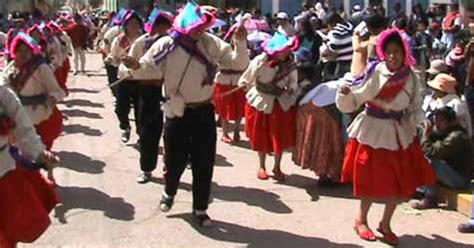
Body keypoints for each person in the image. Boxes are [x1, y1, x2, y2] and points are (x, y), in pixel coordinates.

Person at [122, 1, 248, 226]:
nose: (200, 30)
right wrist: (134, 64)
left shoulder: (211, 43)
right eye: (196, 26)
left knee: (204, 160)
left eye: (202, 26)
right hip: (176, 111)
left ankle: (200, 208)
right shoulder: (166, 44)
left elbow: (238, 62)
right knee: (174, 158)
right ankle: (169, 192)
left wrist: (240, 40)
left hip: (203, 110)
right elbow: (148, 67)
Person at [336, 28, 436, 246]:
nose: (393, 56)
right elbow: (357, 97)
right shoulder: (375, 71)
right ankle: (361, 220)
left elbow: (415, 106)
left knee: (398, 183)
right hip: (373, 131)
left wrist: (421, 121)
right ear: (383, 52)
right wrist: (345, 95)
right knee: (369, 180)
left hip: (399, 134)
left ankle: (385, 223)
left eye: (397, 51)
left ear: (404, 52)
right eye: (389, 51)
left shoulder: (411, 77)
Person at [0, 83, 59, 248]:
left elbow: (23, 129)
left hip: (4, 172)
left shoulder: (2, 93)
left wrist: (40, 153)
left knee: (7, 233)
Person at [120, 8, 173, 183]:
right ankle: (146, 168)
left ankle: (172, 165)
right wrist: (132, 67)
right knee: (148, 131)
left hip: (172, 89)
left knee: (174, 130)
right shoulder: (141, 42)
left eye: (167, 26)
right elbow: (126, 66)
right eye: (160, 25)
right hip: (147, 91)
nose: (163, 29)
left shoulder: (175, 43)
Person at [238, 31, 299, 182]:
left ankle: (277, 166)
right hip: (262, 101)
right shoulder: (260, 61)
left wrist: (292, 87)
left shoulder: (290, 64)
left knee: (280, 136)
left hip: (280, 102)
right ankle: (262, 166)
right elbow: (247, 76)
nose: (286, 53)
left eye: (287, 50)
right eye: (283, 50)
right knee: (262, 136)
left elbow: (293, 80)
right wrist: (243, 84)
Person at [4, 32, 66, 153]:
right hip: (17, 116)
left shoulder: (41, 68)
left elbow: (56, 90)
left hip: (39, 115)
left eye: (27, 51)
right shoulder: (10, 68)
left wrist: (52, 98)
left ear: (32, 52)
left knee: (39, 152)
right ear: (14, 51)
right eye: (20, 51)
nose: (23, 54)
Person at [293, 63, 344, 186]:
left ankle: (323, 174)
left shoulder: (319, 87)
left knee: (319, 143)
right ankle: (331, 176)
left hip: (309, 110)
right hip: (323, 113)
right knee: (329, 143)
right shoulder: (345, 86)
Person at [413, 106, 473, 209]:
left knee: (428, 161)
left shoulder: (457, 136)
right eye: (436, 120)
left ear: (451, 122)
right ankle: (418, 189)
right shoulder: (445, 131)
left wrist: (425, 135)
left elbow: (431, 152)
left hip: (459, 179)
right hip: (448, 172)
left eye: (441, 121)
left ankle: (430, 198)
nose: (437, 123)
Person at [108, 10, 143, 144]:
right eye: (130, 23)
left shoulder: (144, 39)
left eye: (136, 23)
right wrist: (111, 59)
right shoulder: (119, 40)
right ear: (125, 25)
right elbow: (114, 57)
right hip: (123, 79)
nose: (133, 26)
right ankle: (125, 127)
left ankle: (141, 135)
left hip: (140, 79)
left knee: (140, 110)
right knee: (121, 108)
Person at [213, 20, 250, 144]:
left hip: (238, 81)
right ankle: (225, 132)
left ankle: (236, 131)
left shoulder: (244, 50)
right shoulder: (222, 50)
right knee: (224, 108)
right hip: (224, 81)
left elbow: (243, 63)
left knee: (239, 107)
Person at [325, 12, 353, 80]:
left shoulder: (336, 32)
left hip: (343, 63)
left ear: (332, 23)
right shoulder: (349, 27)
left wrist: (326, 45)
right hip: (352, 60)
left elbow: (333, 48)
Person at [413, 21, 432, 87]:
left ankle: (423, 91)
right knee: (417, 76)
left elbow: (430, 47)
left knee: (423, 76)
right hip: (417, 59)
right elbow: (412, 48)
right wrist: (421, 48)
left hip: (425, 58)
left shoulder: (428, 36)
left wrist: (429, 52)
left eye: (422, 26)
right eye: (420, 26)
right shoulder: (415, 36)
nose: (421, 28)